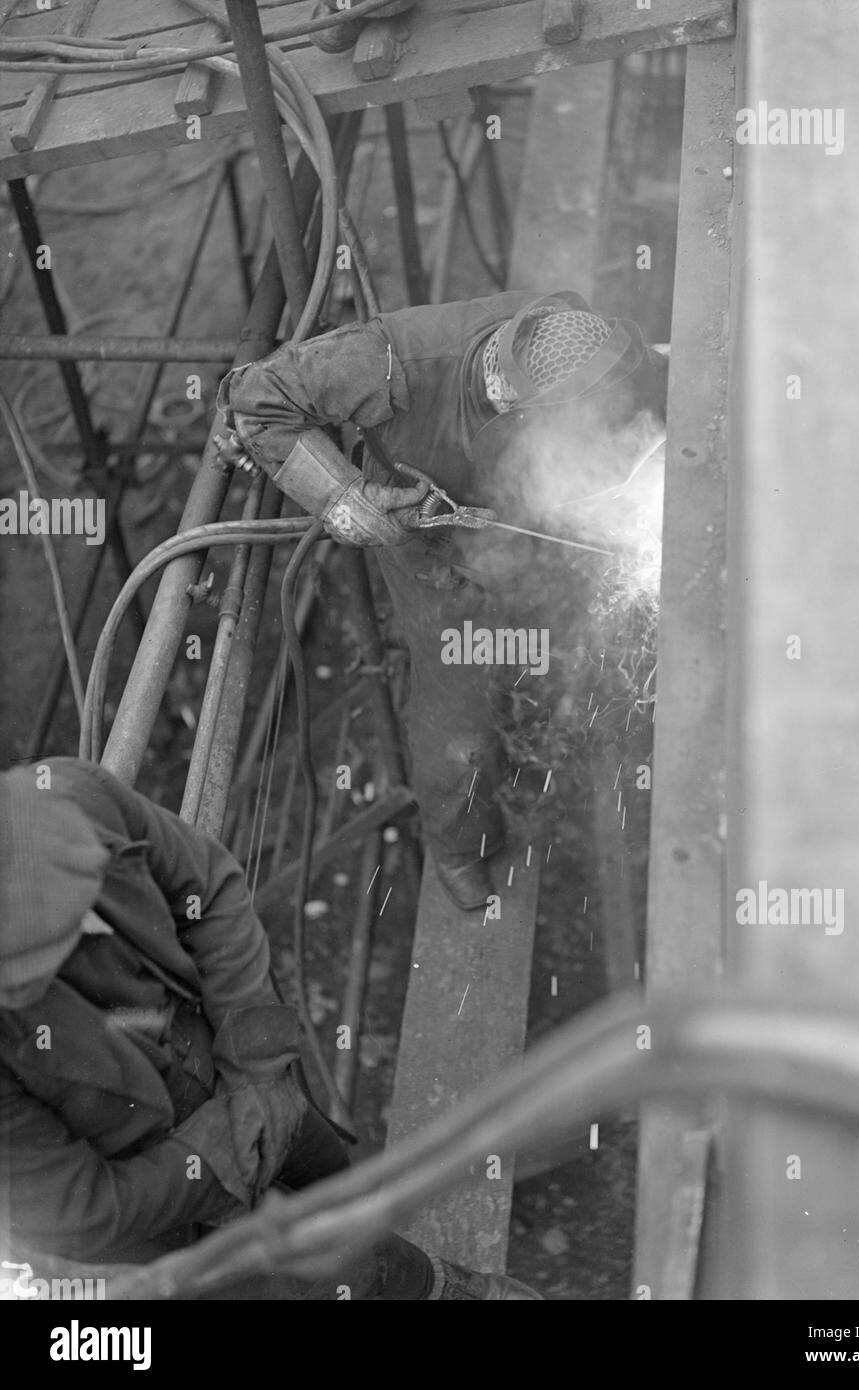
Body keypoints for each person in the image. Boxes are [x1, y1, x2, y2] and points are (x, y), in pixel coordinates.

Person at [0, 757, 541, 1300]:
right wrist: (217, 1157)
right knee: (327, 1277)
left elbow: (210, 889)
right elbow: (79, 1210)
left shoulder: (71, 799)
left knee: (334, 1184)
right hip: (159, 1207)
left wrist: (256, 1071)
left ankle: (430, 1285)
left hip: (235, 1076)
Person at [217, 290, 667, 909]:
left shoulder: (584, 344)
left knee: (573, 646)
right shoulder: (390, 362)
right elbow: (254, 400)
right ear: (517, 406)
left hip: (526, 538)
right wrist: (352, 502)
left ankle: (534, 694)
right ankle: (459, 846)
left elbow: (650, 392)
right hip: (436, 561)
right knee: (463, 737)